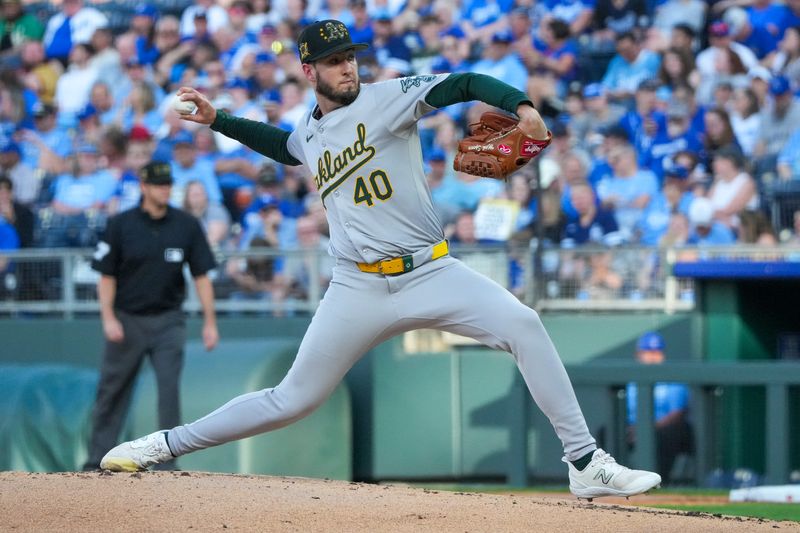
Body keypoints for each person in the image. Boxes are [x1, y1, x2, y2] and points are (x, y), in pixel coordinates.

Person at [100, 19, 661, 500]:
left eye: (350, 57)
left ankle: (585, 463)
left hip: (432, 270)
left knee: (523, 324)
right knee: (291, 399)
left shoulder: (388, 97)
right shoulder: (311, 131)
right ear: (308, 71)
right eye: (333, 61)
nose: (347, 68)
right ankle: (164, 444)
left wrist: (521, 106)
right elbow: (284, 147)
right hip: (357, 287)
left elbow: (463, 82)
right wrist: (218, 119)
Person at [82, 161, 219, 471]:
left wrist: (211, 322)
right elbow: (106, 276)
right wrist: (108, 318)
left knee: (169, 393)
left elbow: (201, 276)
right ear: (143, 186)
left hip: (168, 320)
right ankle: (95, 463)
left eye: (168, 184)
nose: (165, 189)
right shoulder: (120, 224)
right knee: (112, 391)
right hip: (127, 318)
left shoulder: (185, 224)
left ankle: (166, 465)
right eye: (158, 184)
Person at [626, 331, 693, 485]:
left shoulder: (672, 378)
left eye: (656, 352)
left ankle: (660, 481)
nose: (652, 357)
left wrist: (647, 429)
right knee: (608, 432)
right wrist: (633, 429)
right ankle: (615, 480)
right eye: (648, 352)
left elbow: (677, 414)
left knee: (670, 433)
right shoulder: (630, 380)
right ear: (639, 354)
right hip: (633, 430)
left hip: (663, 431)